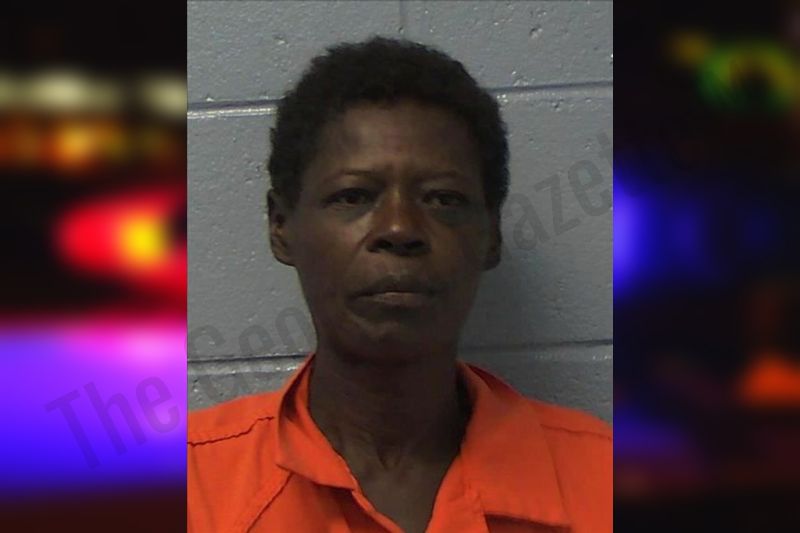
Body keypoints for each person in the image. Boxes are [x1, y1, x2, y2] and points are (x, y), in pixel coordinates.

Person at [188, 37, 611, 533]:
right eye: (353, 196)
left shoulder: (603, 479)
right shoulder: (191, 484)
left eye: (443, 199)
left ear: (491, 235)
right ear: (281, 226)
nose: (399, 228)